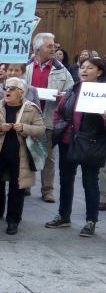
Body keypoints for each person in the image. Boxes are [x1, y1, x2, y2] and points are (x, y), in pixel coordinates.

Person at [0, 77, 45, 235]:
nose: (7, 91)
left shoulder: (30, 108)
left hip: (20, 155)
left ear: (21, 92)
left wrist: (24, 127)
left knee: (17, 189)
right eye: (6, 87)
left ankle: (13, 220)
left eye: (12, 88)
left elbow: (41, 129)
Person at [45, 58, 106, 237]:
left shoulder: (103, 92)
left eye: (90, 68)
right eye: (82, 67)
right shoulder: (73, 88)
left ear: (99, 72)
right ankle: (64, 216)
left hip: (91, 143)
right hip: (68, 141)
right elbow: (59, 111)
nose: (84, 70)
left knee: (90, 182)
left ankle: (91, 221)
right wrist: (60, 127)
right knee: (65, 181)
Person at [24, 33, 74, 203]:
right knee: (25, 152)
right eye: (50, 46)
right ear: (38, 49)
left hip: (49, 118)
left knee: (48, 156)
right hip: (27, 118)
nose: (54, 49)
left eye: (54, 46)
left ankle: (47, 190)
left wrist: (64, 97)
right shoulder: (26, 67)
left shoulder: (62, 70)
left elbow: (71, 91)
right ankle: (25, 185)